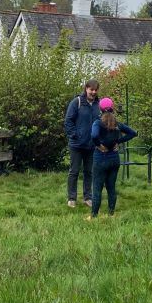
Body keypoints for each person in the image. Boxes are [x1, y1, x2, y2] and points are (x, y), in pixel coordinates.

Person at [88, 98, 137, 219]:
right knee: (111, 188)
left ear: (100, 109)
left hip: (101, 159)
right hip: (114, 160)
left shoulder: (98, 123)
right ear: (113, 108)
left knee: (97, 189)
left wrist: (99, 146)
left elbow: (94, 135)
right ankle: (111, 214)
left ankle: (94, 216)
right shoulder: (117, 124)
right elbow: (133, 133)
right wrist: (118, 142)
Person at [64, 79, 101, 208]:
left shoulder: (98, 104)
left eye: (96, 90)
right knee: (74, 172)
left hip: (92, 145)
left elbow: (101, 122)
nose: (93, 92)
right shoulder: (77, 102)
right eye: (91, 89)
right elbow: (68, 121)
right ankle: (72, 198)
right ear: (86, 89)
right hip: (77, 145)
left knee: (89, 172)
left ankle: (87, 197)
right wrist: (75, 135)